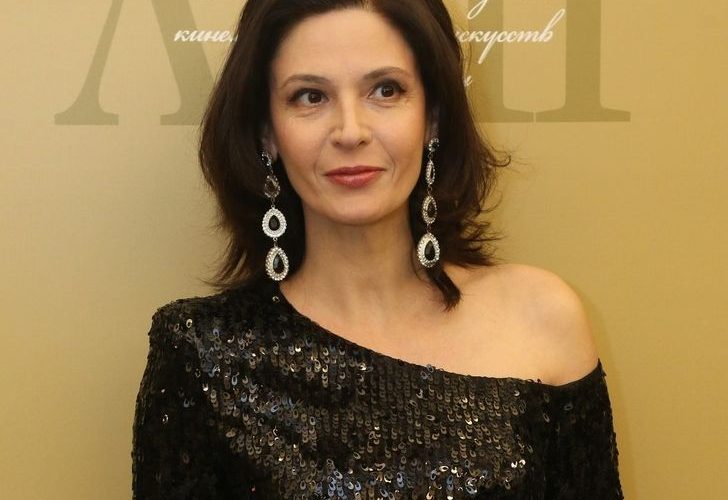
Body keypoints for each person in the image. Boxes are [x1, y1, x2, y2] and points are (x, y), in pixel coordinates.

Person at [132, 0, 623, 498]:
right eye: (310, 96)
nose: (351, 132)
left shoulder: (543, 318)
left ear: (433, 117)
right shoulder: (202, 351)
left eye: (385, 90)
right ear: (267, 132)